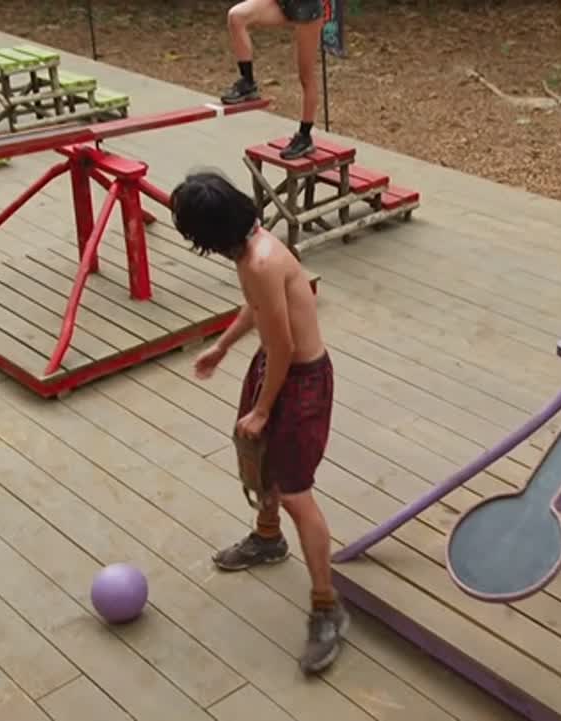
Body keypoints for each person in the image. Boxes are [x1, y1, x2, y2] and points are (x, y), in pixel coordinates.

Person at [170, 170, 348, 674]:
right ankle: (268, 539)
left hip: (300, 381)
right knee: (260, 463)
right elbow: (259, 309)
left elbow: (285, 345)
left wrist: (264, 409)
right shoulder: (251, 249)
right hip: (276, 369)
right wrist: (223, 347)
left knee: (295, 493)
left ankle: (327, 606)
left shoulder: (262, 261)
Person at [218, 0, 329, 160]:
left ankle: (305, 136)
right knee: (236, 16)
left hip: (307, 10)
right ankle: (247, 83)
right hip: (281, 4)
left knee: (306, 76)